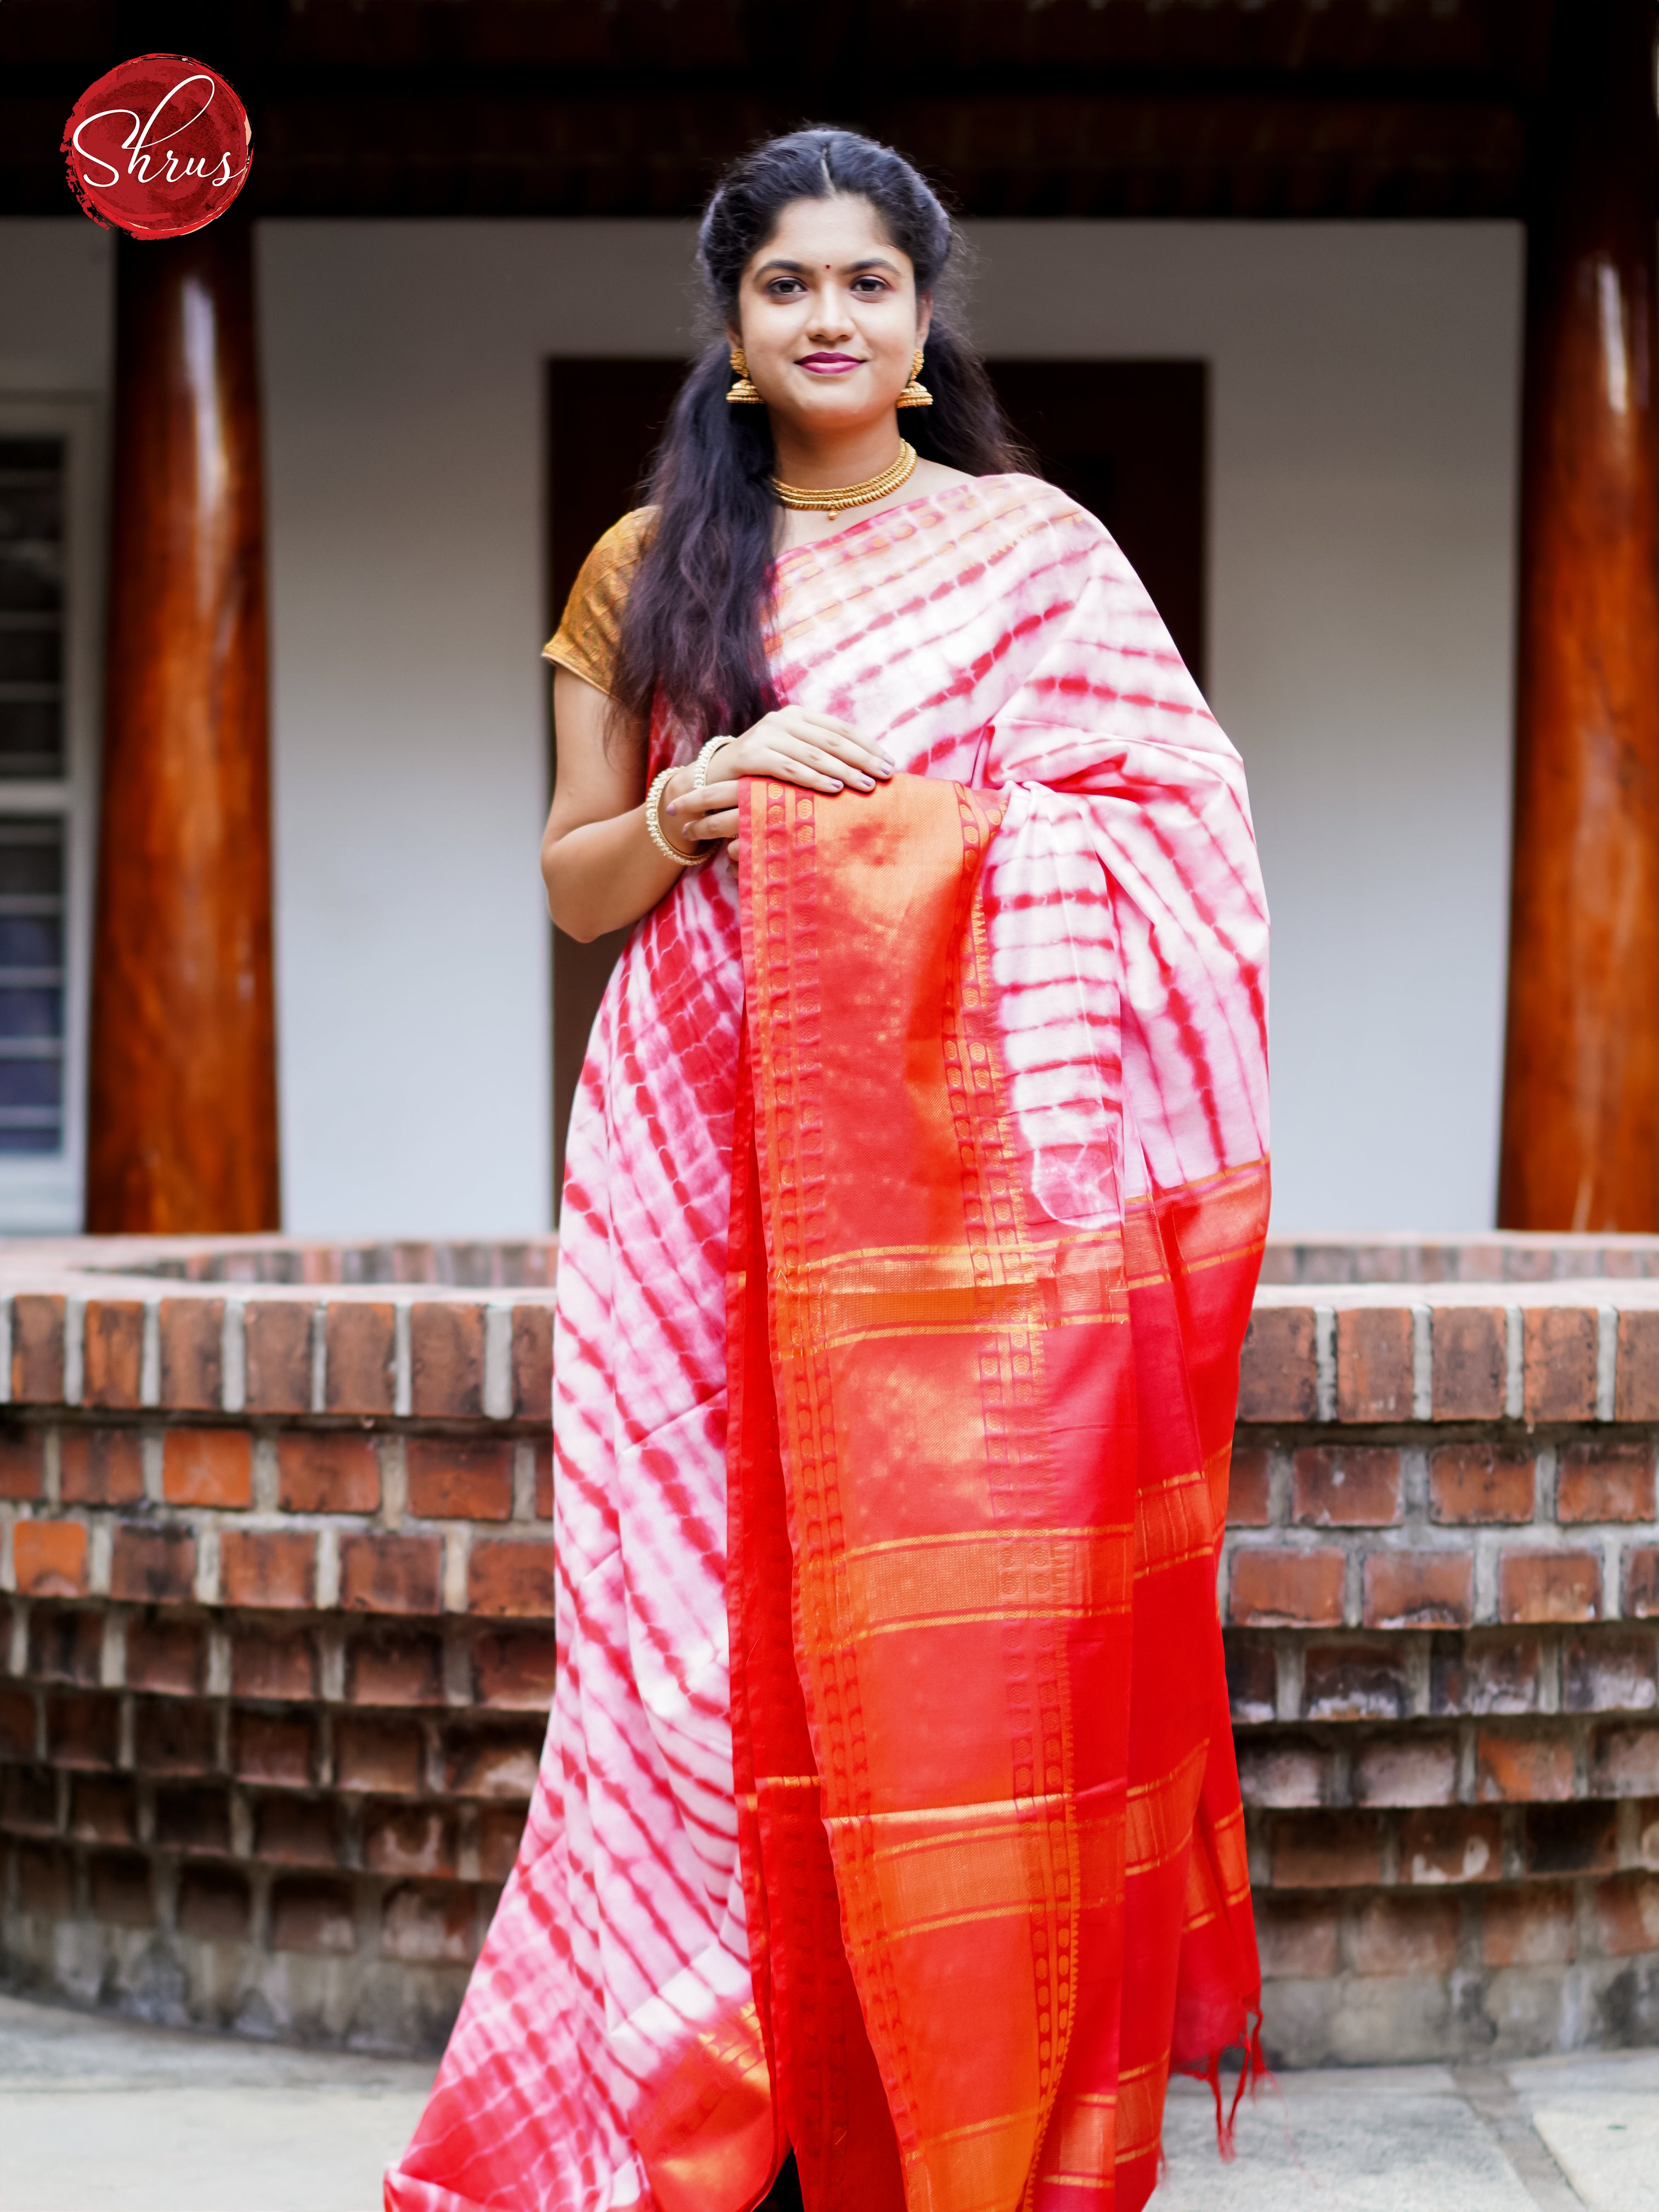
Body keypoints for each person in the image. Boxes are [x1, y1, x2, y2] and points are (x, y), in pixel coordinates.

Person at [387, 127, 1270, 2212]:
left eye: (868, 284)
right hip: (690, 1163)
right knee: (684, 1634)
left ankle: (925, 2102)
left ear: (924, 314)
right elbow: (579, 886)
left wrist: (941, 832)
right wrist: (707, 791)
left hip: (954, 1193)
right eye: (789, 287)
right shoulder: (649, 566)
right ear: (734, 325)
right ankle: (715, 2097)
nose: (831, 320)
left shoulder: (1032, 548)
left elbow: (1180, 822)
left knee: (953, 1628)